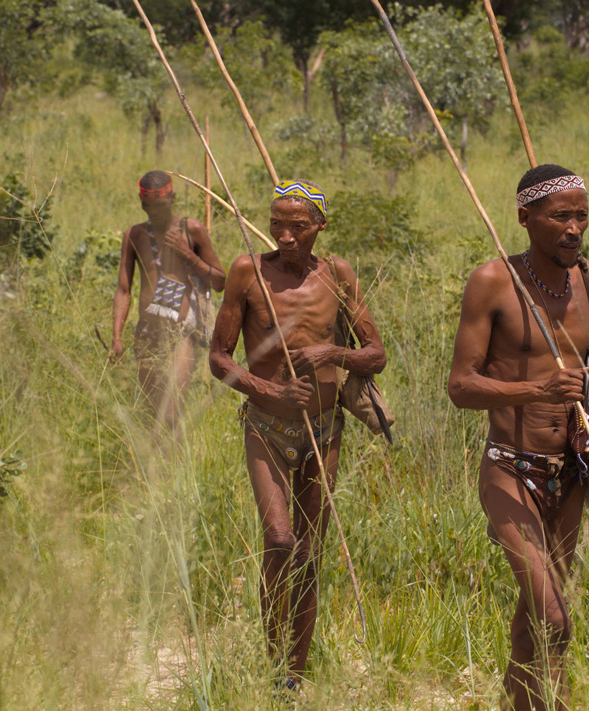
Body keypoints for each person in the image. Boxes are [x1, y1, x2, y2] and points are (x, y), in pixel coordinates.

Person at [447, 164, 589, 711]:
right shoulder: (493, 282)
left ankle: (516, 702)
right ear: (526, 218)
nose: (574, 229)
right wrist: (537, 388)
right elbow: (460, 386)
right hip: (511, 468)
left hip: (573, 471)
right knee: (553, 615)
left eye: (582, 216)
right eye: (560, 217)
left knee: (539, 612)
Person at [209, 179, 386, 694]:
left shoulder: (338, 275)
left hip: (325, 429)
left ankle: (293, 677)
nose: (285, 236)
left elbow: (374, 353)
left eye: (298, 226)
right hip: (266, 424)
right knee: (280, 539)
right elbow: (218, 358)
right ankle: (270, 662)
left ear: (320, 228)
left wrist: (334, 355)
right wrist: (266, 387)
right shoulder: (248, 272)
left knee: (309, 551)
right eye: (277, 225)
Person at [111, 171, 226, 425]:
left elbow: (220, 281)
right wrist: (117, 338)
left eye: (160, 206)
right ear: (141, 203)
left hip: (180, 334)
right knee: (151, 410)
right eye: (147, 206)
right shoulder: (135, 235)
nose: (153, 212)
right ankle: (157, 464)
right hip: (146, 333)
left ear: (172, 198)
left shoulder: (191, 230)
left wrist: (189, 255)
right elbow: (123, 290)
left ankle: (175, 462)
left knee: (172, 412)